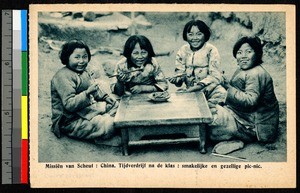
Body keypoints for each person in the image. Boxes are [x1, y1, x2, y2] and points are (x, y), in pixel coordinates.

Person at [208, 36, 279, 151]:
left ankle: (240, 140)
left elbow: (250, 101)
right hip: (240, 114)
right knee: (208, 108)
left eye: (249, 52)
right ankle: (234, 136)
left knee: (210, 121)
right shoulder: (244, 69)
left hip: (253, 126)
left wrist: (227, 87)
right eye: (240, 52)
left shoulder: (256, 74)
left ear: (257, 54)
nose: (243, 56)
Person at [51, 40, 120, 146]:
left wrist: (105, 97)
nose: (82, 61)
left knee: (117, 106)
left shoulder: (84, 71)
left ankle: (104, 125)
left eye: (84, 57)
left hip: (86, 110)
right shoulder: (62, 76)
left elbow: (93, 89)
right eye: (77, 57)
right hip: (71, 120)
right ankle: (101, 135)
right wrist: (87, 93)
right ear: (67, 57)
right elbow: (69, 105)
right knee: (109, 124)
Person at [168, 19, 226, 103]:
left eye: (199, 34)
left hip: (211, 89)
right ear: (185, 35)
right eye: (190, 34)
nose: (194, 38)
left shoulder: (211, 50)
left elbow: (215, 76)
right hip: (189, 90)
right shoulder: (183, 50)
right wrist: (177, 79)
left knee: (221, 97)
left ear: (205, 35)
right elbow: (180, 77)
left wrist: (196, 88)